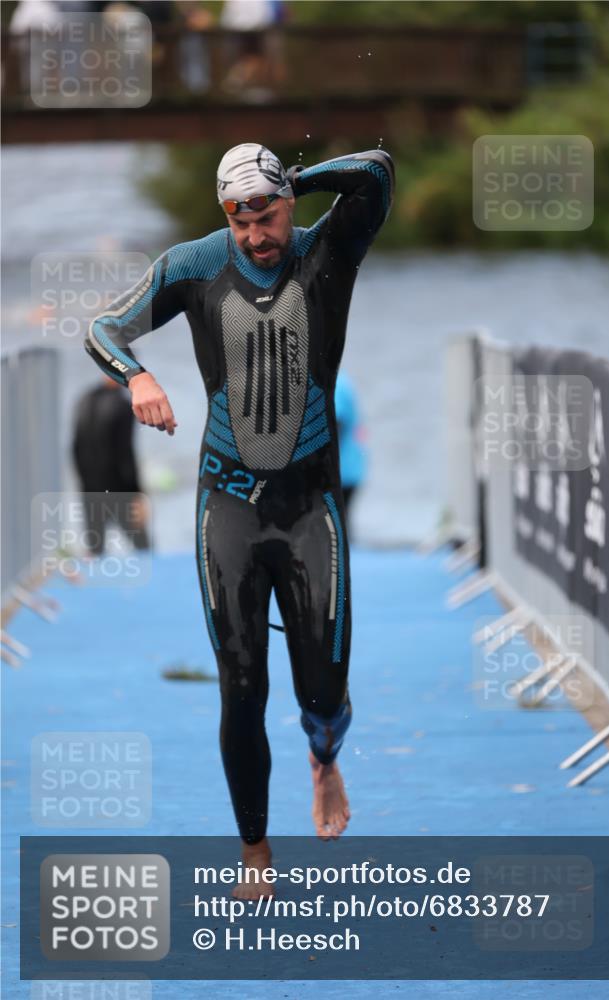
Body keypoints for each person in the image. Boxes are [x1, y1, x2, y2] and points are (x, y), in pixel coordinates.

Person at [84, 142, 394, 897]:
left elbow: (378, 170)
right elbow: (102, 329)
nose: (256, 234)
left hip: (309, 509)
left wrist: (300, 177)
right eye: (239, 219)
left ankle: (323, 757)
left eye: (269, 214)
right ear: (223, 215)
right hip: (226, 505)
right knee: (241, 683)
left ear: (289, 203)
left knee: (321, 694)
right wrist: (138, 378)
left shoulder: (328, 253)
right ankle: (254, 850)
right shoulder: (191, 266)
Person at [72, 375, 151, 555]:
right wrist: (137, 494)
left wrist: (84, 486)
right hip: (119, 489)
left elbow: (75, 449)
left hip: (90, 489)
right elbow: (125, 455)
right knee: (144, 549)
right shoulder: (122, 406)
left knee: (95, 551)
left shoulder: (84, 400)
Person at [334, 369, 368, 525]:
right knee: (341, 522)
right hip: (352, 466)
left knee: (336, 523)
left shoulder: (335, 382)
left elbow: (336, 424)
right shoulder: (342, 379)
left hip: (341, 470)